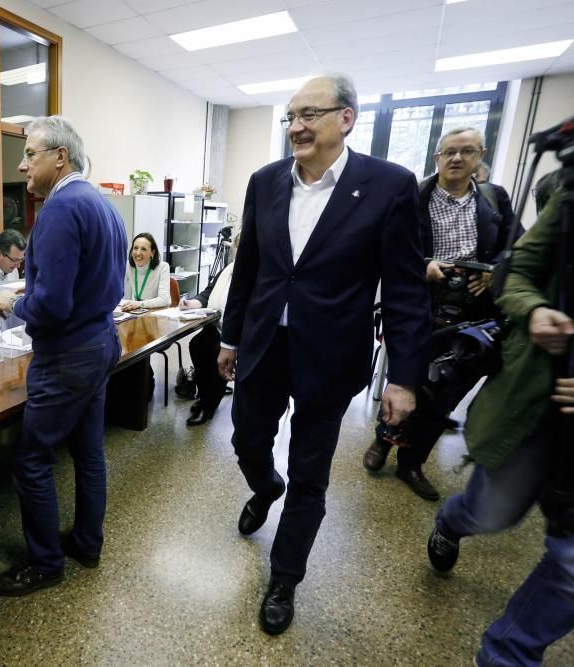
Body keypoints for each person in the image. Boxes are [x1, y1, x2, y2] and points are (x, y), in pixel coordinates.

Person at [215, 74, 430, 635]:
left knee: (311, 472)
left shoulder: (388, 185)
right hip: (265, 346)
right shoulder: (265, 183)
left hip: (331, 357)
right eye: (290, 116)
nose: (297, 127)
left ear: (347, 118)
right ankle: (265, 486)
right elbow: (251, 270)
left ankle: (285, 577)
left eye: (310, 114)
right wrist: (230, 337)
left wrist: (403, 379)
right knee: (246, 439)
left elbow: (407, 290)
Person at [426, 174, 573, 666]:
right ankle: (453, 519)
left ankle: (505, 656)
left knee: (571, 563)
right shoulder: (568, 201)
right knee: (494, 513)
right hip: (538, 398)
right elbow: (515, 274)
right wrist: (534, 312)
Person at [0, 116, 125, 596]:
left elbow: (51, 306)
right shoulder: (101, 204)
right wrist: (40, 288)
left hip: (68, 354)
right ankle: (87, 542)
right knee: (89, 452)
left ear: (60, 157)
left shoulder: (58, 209)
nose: (23, 165)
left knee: (31, 458)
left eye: (30, 154)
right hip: (101, 340)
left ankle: (45, 563)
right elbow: (92, 280)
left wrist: (14, 303)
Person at [362, 127, 518, 500]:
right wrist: (425, 265)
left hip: (474, 316)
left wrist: (496, 271)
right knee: (406, 381)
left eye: (466, 151)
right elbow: (386, 247)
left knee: (444, 393)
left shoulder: (494, 200)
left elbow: (516, 245)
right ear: (436, 158)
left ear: (481, 155)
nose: (457, 158)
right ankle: (385, 438)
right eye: (448, 152)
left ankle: (411, 463)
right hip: (422, 307)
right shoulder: (411, 198)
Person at [179, 234, 239, 426]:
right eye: (237, 246)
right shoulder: (227, 270)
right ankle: (205, 396)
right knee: (197, 345)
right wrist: (192, 303)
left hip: (239, 334)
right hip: (217, 326)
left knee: (216, 354)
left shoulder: (257, 273)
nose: (239, 250)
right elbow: (208, 293)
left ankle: (209, 406)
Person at [119, 232, 170, 310]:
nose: (138, 253)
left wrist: (140, 304)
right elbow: (114, 286)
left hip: (158, 312)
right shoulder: (128, 265)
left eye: (143, 249)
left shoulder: (163, 267)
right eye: (135, 248)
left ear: (152, 253)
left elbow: (164, 299)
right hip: (138, 312)